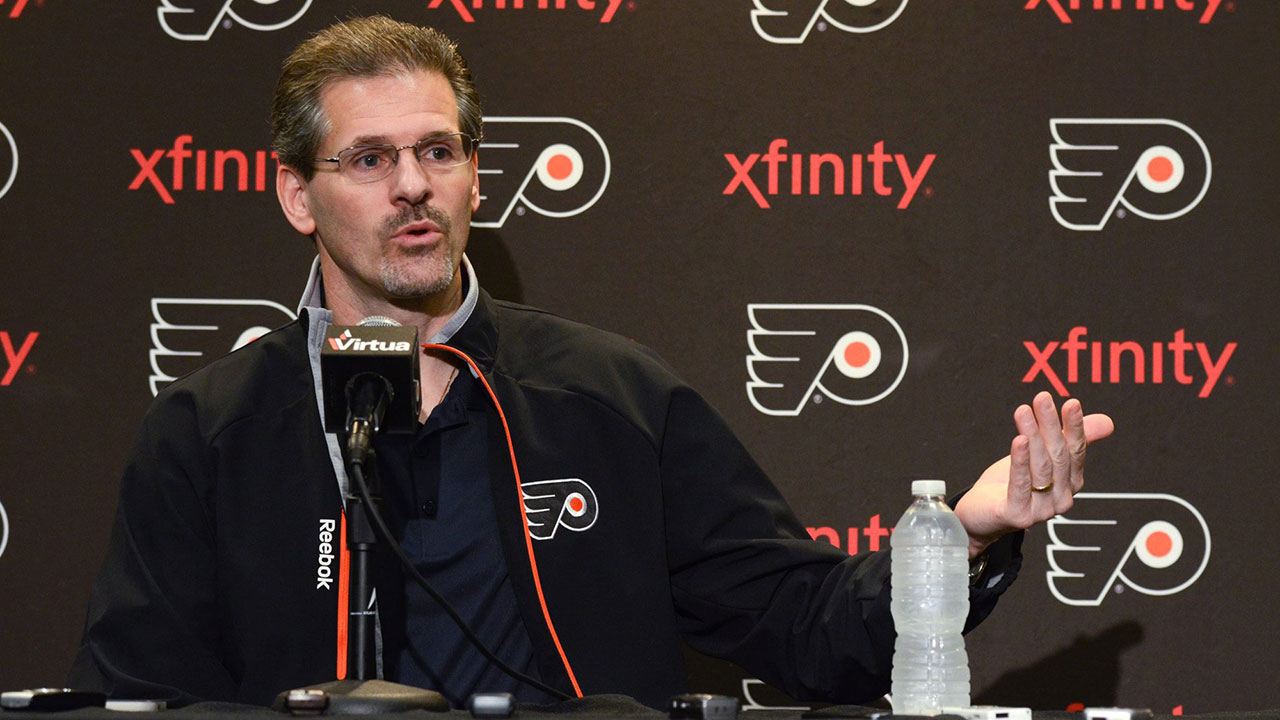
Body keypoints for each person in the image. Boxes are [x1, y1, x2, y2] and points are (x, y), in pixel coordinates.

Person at [70, 15, 1114, 710]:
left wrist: (962, 540)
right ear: (299, 194)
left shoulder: (611, 396)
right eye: (369, 158)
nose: (411, 187)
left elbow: (801, 624)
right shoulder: (210, 433)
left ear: (475, 178)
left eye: (439, 152)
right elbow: (140, 696)